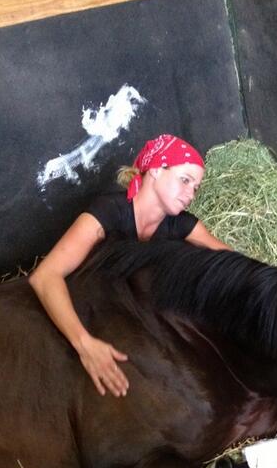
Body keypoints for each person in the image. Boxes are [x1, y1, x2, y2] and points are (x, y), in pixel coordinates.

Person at [29, 134, 232, 398]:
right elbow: (44, 276)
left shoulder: (181, 224)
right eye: (185, 180)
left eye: (195, 187)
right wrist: (85, 345)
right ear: (157, 170)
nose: (190, 194)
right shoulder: (109, 212)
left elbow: (231, 259)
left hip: (125, 323)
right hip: (82, 313)